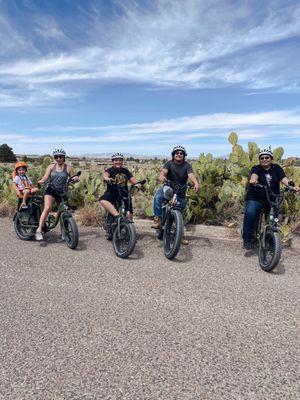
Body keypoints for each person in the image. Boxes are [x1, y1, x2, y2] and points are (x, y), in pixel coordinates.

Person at [242, 147, 299, 250]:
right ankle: (247, 239)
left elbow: (283, 179)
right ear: (260, 159)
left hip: (272, 198)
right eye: (262, 158)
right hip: (256, 198)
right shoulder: (256, 168)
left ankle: (270, 240)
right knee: (250, 214)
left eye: (267, 157)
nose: (264, 159)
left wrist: (291, 186)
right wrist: (253, 180)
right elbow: (254, 176)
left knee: (273, 220)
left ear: (271, 158)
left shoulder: (276, 168)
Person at [152, 145, 200, 245]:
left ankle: (180, 236)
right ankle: (158, 220)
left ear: (184, 156)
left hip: (180, 191)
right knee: (158, 196)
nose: (179, 155)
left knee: (179, 215)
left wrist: (196, 183)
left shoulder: (187, 165)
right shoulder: (169, 164)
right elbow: (163, 172)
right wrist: (161, 176)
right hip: (168, 188)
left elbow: (190, 175)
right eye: (177, 153)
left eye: (181, 153)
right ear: (173, 155)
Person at [35, 148, 77, 241]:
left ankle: (63, 233)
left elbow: (72, 178)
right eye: (56, 157)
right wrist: (42, 180)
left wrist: (74, 179)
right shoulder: (51, 167)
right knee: (47, 208)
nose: (58, 159)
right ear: (54, 158)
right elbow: (45, 177)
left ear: (64, 157)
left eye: (60, 157)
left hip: (62, 192)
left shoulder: (68, 167)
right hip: (51, 190)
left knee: (62, 212)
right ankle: (39, 230)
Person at [100, 152, 141, 222]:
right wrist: (107, 179)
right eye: (116, 160)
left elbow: (132, 179)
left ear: (122, 161)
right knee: (103, 200)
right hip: (112, 193)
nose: (118, 162)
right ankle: (117, 215)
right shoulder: (110, 170)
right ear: (113, 161)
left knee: (129, 215)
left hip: (124, 193)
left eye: (120, 160)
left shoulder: (125, 171)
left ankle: (129, 229)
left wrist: (137, 183)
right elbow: (105, 175)